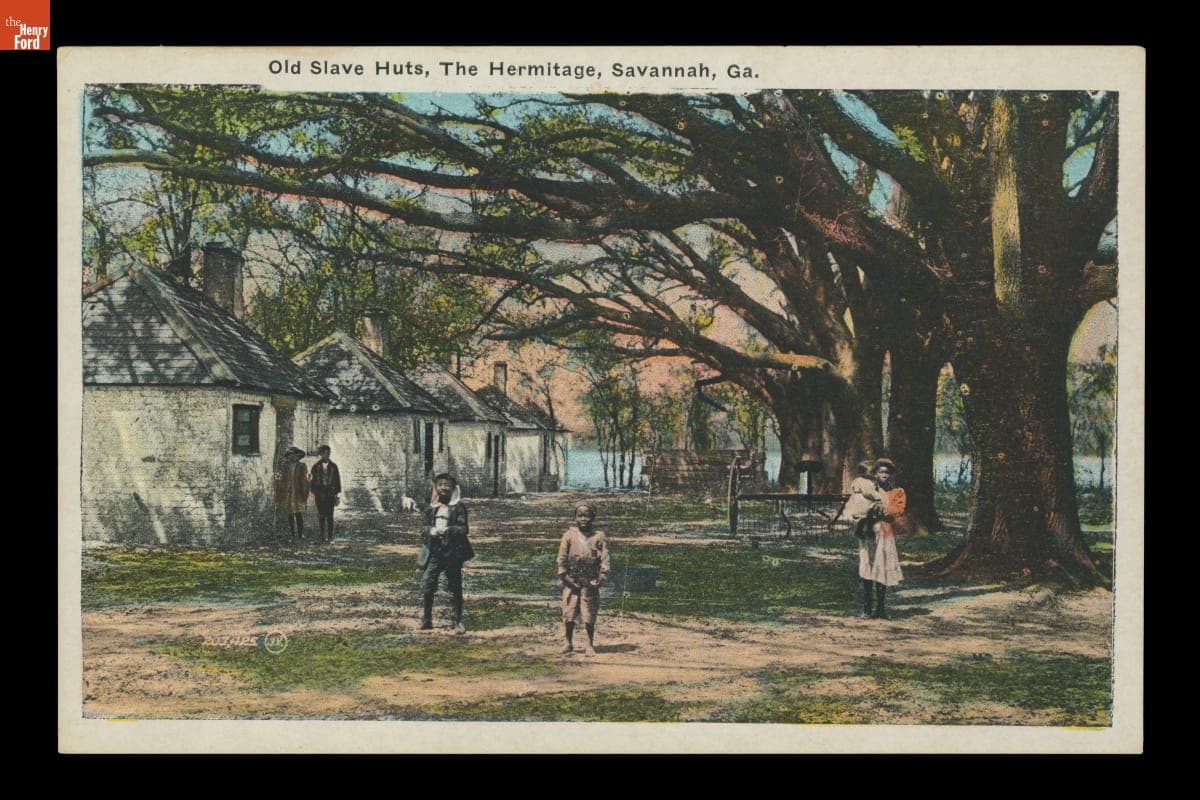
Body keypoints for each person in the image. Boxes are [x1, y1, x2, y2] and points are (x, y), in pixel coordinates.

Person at [417, 473, 474, 633]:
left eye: (447, 485)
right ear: (436, 487)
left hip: (453, 552)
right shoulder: (431, 508)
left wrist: (449, 530)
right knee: (428, 583)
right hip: (435, 552)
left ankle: (458, 621)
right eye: (440, 484)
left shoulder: (458, 507)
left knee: (455, 586)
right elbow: (423, 528)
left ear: (453, 488)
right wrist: (432, 531)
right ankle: (427, 619)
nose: (443, 488)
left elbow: (464, 528)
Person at [556, 503, 611, 656]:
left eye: (587, 515)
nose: (583, 519)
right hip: (571, 579)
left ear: (593, 517)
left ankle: (589, 644)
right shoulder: (568, 536)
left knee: (589, 613)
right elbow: (561, 559)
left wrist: (600, 578)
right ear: (575, 518)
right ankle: (568, 642)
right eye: (580, 515)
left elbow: (605, 560)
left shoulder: (598, 537)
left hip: (590, 580)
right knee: (569, 611)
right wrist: (565, 577)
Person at [858, 458, 907, 619]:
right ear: (875, 474)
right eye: (880, 472)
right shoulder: (868, 490)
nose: (884, 475)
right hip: (868, 533)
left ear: (891, 475)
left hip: (885, 533)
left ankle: (880, 608)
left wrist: (881, 509)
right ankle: (866, 608)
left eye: (887, 472)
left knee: (882, 568)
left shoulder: (897, 492)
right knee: (867, 567)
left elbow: (897, 509)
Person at [309, 445, 342, 542]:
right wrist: (314, 491)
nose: (326, 455)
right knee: (321, 515)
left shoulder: (333, 466)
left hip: (330, 494)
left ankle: (330, 536)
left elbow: (337, 481)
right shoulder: (316, 467)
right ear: (321, 454)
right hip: (320, 494)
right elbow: (312, 481)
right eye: (324, 453)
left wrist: (336, 494)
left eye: (328, 453)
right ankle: (322, 535)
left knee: (330, 515)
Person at [276, 446, 309, 539]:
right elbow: (281, 478)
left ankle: (300, 533)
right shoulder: (285, 466)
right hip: (288, 492)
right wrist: (279, 482)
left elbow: (305, 480)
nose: (293, 457)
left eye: (295, 455)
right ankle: (292, 533)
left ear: (298, 456)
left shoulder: (302, 466)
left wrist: (305, 490)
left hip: (298, 492)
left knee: (299, 513)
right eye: (291, 455)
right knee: (290, 513)